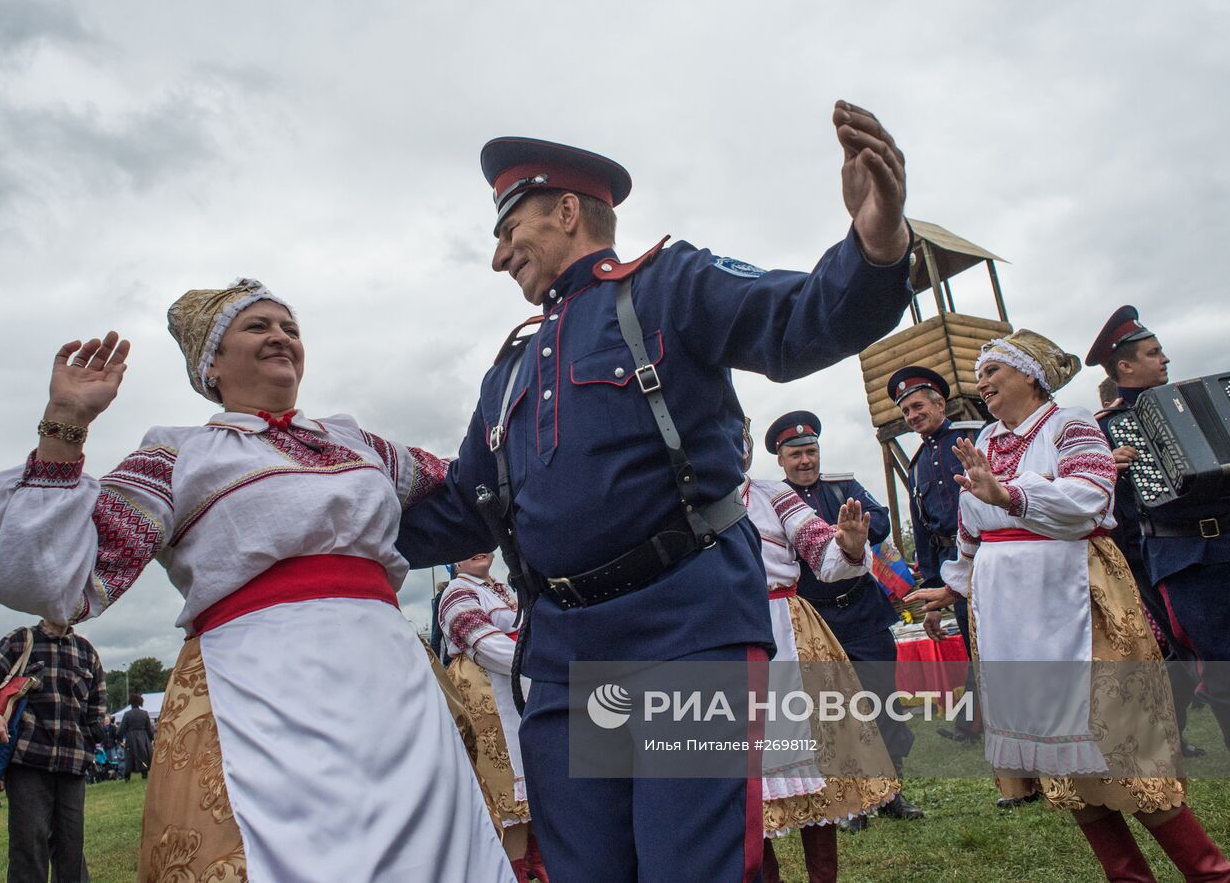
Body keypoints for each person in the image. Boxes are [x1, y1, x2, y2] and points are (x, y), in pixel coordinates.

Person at [396, 102, 915, 881]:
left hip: (684, 629)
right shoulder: (507, 375)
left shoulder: (667, 287)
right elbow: (457, 507)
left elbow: (797, 319)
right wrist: (313, 506)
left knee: (686, 866)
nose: (500, 256)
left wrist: (876, 246)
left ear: (568, 211)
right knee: (589, 871)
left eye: (510, 231)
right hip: (566, 653)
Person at [0, 280, 512, 882]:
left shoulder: (355, 441)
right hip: (255, 684)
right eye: (259, 327)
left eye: (291, 328)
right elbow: (57, 577)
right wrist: (65, 422)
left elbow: (472, 488)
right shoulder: (178, 452)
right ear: (211, 364)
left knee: (427, 848)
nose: (281, 337)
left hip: (391, 678)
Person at [906, 329, 1230, 882]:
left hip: (1074, 597)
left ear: (1031, 375)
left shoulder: (1071, 424)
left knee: (1113, 738)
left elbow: (1091, 498)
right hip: (1007, 608)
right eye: (980, 373)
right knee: (1056, 749)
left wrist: (1010, 494)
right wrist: (953, 585)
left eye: (993, 370)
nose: (981, 381)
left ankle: (1215, 875)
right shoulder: (986, 440)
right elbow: (972, 531)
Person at [1088, 305, 1230, 824]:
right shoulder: (1105, 430)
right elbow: (1108, 518)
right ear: (1124, 368)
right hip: (1182, 559)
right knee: (1225, 672)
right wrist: (1111, 472)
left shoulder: (1216, 399)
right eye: (1152, 353)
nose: (1164, 358)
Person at [741, 421, 898, 883]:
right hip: (725, 634)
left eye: (736, 441)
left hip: (788, 631)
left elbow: (823, 556)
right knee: (745, 766)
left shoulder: (775, 495)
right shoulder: (684, 503)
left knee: (817, 753)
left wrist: (848, 547)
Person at [763, 410, 923, 825]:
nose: (806, 460)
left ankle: (894, 792)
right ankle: (852, 799)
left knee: (882, 702)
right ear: (781, 460)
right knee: (832, 711)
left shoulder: (843, 487)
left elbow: (881, 522)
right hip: (816, 621)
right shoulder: (774, 501)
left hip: (862, 612)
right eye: (796, 454)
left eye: (811, 451)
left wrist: (848, 536)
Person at [886, 367, 988, 749]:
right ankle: (973, 725)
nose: (912, 416)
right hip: (951, 561)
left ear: (939, 403)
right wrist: (931, 597)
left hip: (990, 552)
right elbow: (925, 532)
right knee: (975, 643)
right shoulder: (916, 467)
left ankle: (975, 724)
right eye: (906, 412)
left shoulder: (975, 438)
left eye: (917, 406)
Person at [0, 620, 107, 883]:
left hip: (73, 766)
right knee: (28, 848)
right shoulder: (22, 640)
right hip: (28, 763)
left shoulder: (86, 651)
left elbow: (97, 708)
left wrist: (90, 737)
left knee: (71, 851)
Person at [438, 553, 548, 882]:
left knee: (533, 809)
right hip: (488, 701)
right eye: (464, 547)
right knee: (507, 812)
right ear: (452, 561)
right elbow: (485, 645)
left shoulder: (502, 589)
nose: (477, 549)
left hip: (519, 693)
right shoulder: (456, 592)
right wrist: (545, 660)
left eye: (482, 541)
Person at [119, 694, 153, 782]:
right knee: (143, 756)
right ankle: (144, 774)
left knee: (130, 757)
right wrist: (150, 738)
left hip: (131, 737)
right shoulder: (144, 713)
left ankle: (127, 777)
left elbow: (122, 728)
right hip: (143, 737)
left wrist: (118, 738)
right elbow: (149, 728)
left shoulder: (127, 714)